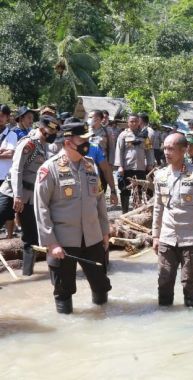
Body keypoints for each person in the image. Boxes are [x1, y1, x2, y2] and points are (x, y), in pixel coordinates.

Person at [34, 120, 112, 314]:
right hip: (63, 241)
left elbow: (100, 201)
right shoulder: (49, 169)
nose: (87, 143)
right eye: (82, 139)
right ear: (68, 142)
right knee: (63, 290)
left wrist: (105, 232)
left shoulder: (90, 166)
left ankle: (103, 324)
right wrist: (51, 243)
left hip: (93, 237)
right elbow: (41, 207)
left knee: (101, 285)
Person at [152, 133, 193, 307]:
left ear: (184, 149)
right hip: (167, 237)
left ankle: (192, 320)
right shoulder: (160, 175)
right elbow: (158, 207)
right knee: (164, 282)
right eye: (164, 148)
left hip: (191, 240)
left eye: (170, 148)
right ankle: (164, 320)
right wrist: (155, 236)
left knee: (188, 283)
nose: (166, 152)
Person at [0, 115, 58, 275]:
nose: (52, 133)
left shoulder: (45, 146)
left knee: (30, 238)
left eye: (54, 130)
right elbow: (17, 169)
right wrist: (17, 196)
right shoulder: (28, 143)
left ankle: (27, 274)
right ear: (41, 129)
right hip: (11, 193)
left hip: (30, 197)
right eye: (50, 130)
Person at [114, 114, 155, 213]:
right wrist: (120, 166)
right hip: (127, 167)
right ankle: (125, 212)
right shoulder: (123, 135)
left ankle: (137, 212)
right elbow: (119, 150)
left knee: (139, 192)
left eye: (136, 121)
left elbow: (149, 150)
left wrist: (150, 164)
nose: (134, 123)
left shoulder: (145, 135)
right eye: (131, 121)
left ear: (139, 122)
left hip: (140, 167)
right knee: (125, 191)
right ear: (128, 123)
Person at [0, 105, 17, 238]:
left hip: (5, 177)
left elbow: (10, 153)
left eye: (2, 115)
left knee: (8, 209)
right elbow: (5, 152)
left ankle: (10, 236)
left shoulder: (12, 135)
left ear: (7, 117)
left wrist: (5, 152)